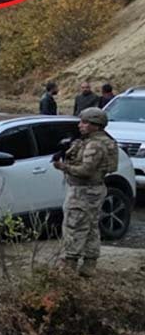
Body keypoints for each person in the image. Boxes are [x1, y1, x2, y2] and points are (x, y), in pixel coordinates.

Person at [53, 107, 119, 276]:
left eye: (84, 122)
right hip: (92, 190)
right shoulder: (97, 141)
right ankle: (89, 265)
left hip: (83, 190)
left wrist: (64, 167)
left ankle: (69, 264)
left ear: (96, 125)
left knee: (74, 226)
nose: (80, 125)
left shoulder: (95, 145)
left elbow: (86, 171)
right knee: (90, 227)